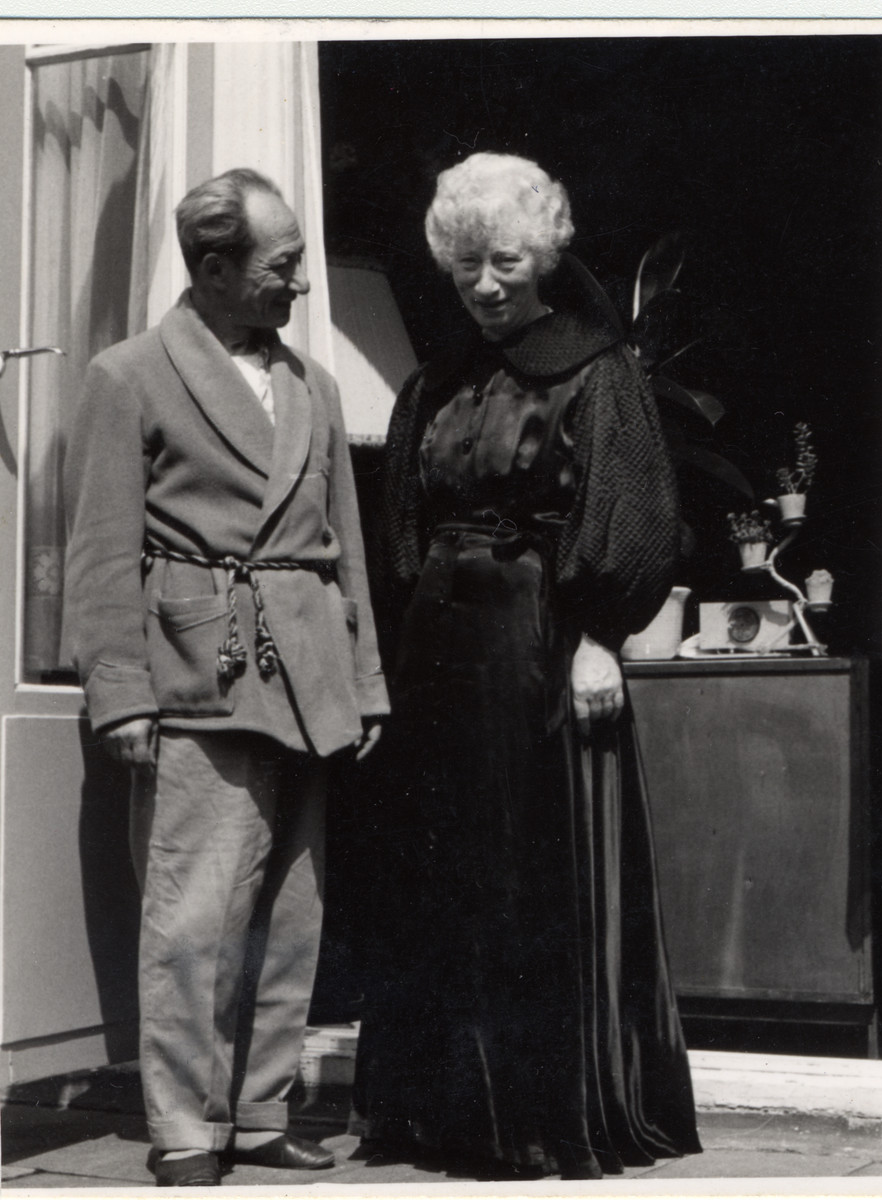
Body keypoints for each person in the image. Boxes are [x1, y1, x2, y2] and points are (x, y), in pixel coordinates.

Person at [351, 151, 702, 1181]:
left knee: (525, 866)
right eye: (465, 268)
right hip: (440, 651)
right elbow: (405, 528)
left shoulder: (602, 374)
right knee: (434, 867)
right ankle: (435, 1115)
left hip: (540, 641)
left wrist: (598, 638)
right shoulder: (432, 384)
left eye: (503, 261)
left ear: (545, 254)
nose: (486, 285)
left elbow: (637, 516)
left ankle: (537, 1118)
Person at [62, 168, 388, 1188]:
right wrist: (118, 689)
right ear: (212, 268)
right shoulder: (129, 376)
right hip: (200, 670)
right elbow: (103, 555)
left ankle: (258, 1113)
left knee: (293, 916)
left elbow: (346, 551)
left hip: (310, 673)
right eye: (282, 267)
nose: (298, 285)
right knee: (195, 917)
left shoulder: (313, 387)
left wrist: (367, 679)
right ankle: (185, 1128)